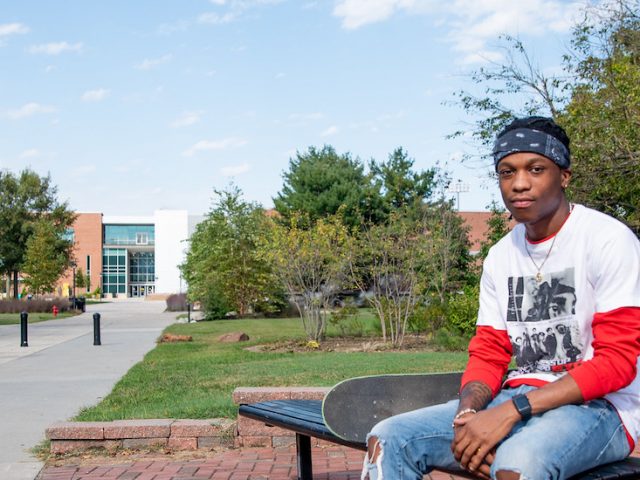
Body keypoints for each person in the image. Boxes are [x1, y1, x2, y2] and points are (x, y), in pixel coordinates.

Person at [361, 116, 640, 480]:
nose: (519, 183)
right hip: (517, 397)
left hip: (600, 408)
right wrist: (468, 416)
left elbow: (617, 363)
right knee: (389, 439)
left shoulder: (607, 240)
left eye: (536, 169)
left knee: (517, 463)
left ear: (564, 176)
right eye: (507, 172)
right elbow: (490, 352)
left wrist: (510, 414)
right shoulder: (499, 256)